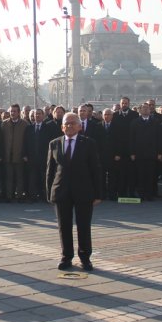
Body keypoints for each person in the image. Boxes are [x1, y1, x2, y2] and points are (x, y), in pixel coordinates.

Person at [46, 112, 103, 272]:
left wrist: (98, 194)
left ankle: (85, 258)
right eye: (67, 123)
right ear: (62, 127)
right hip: (61, 191)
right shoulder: (54, 143)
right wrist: (49, 192)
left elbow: (95, 169)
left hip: (84, 191)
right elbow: (50, 171)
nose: (70, 126)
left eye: (73, 123)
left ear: (79, 126)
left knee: (83, 225)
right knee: (63, 226)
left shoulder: (89, 143)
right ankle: (66, 256)